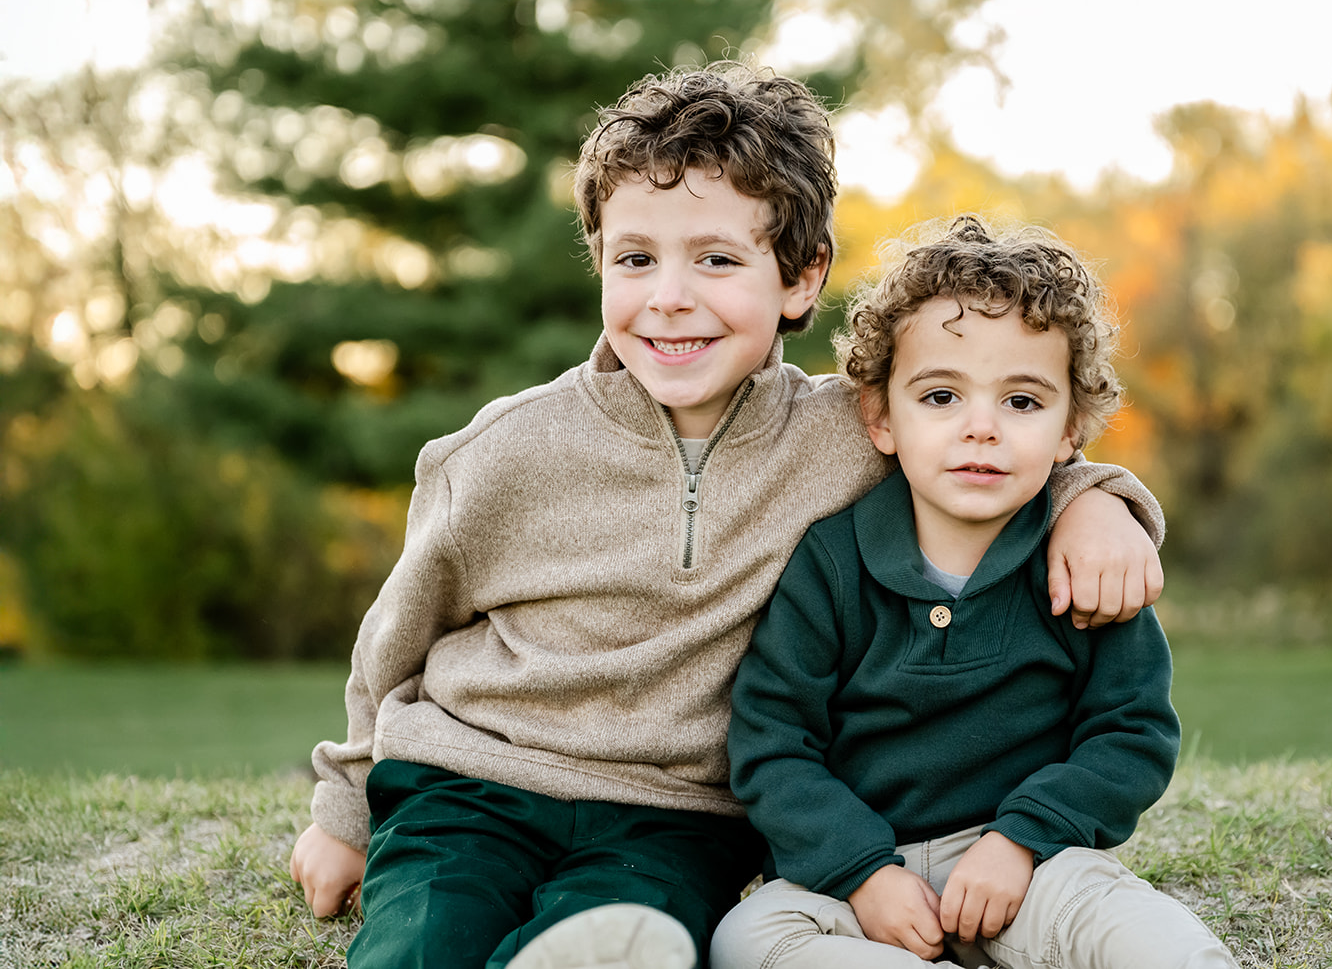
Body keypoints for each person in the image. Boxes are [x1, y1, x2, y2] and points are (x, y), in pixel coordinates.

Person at [287, 64, 1167, 969]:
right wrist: (344, 811)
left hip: (675, 815)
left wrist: (1098, 504)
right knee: (426, 939)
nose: (669, 294)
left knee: (622, 940)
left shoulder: (849, 432)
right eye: (636, 259)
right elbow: (394, 640)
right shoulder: (503, 453)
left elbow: (988, 446)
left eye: (715, 258)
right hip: (469, 781)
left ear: (799, 277)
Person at [712, 216, 1238, 969]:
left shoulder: (1084, 566)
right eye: (941, 397)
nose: (981, 429)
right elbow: (773, 744)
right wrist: (862, 872)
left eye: (1022, 402)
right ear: (881, 415)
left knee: (1133, 926)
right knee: (749, 938)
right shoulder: (830, 564)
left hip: (1027, 867)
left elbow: (1131, 733)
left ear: (1071, 428)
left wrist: (1021, 840)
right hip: (856, 881)